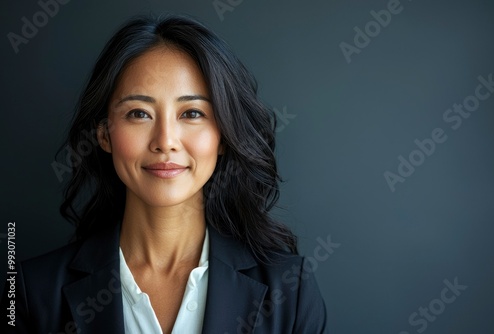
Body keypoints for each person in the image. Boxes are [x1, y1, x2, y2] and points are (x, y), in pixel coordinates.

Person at [1, 14, 329, 334]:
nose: (165, 142)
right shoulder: (32, 292)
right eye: (139, 113)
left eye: (192, 113)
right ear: (103, 135)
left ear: (224, 136)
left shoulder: (289, 291)